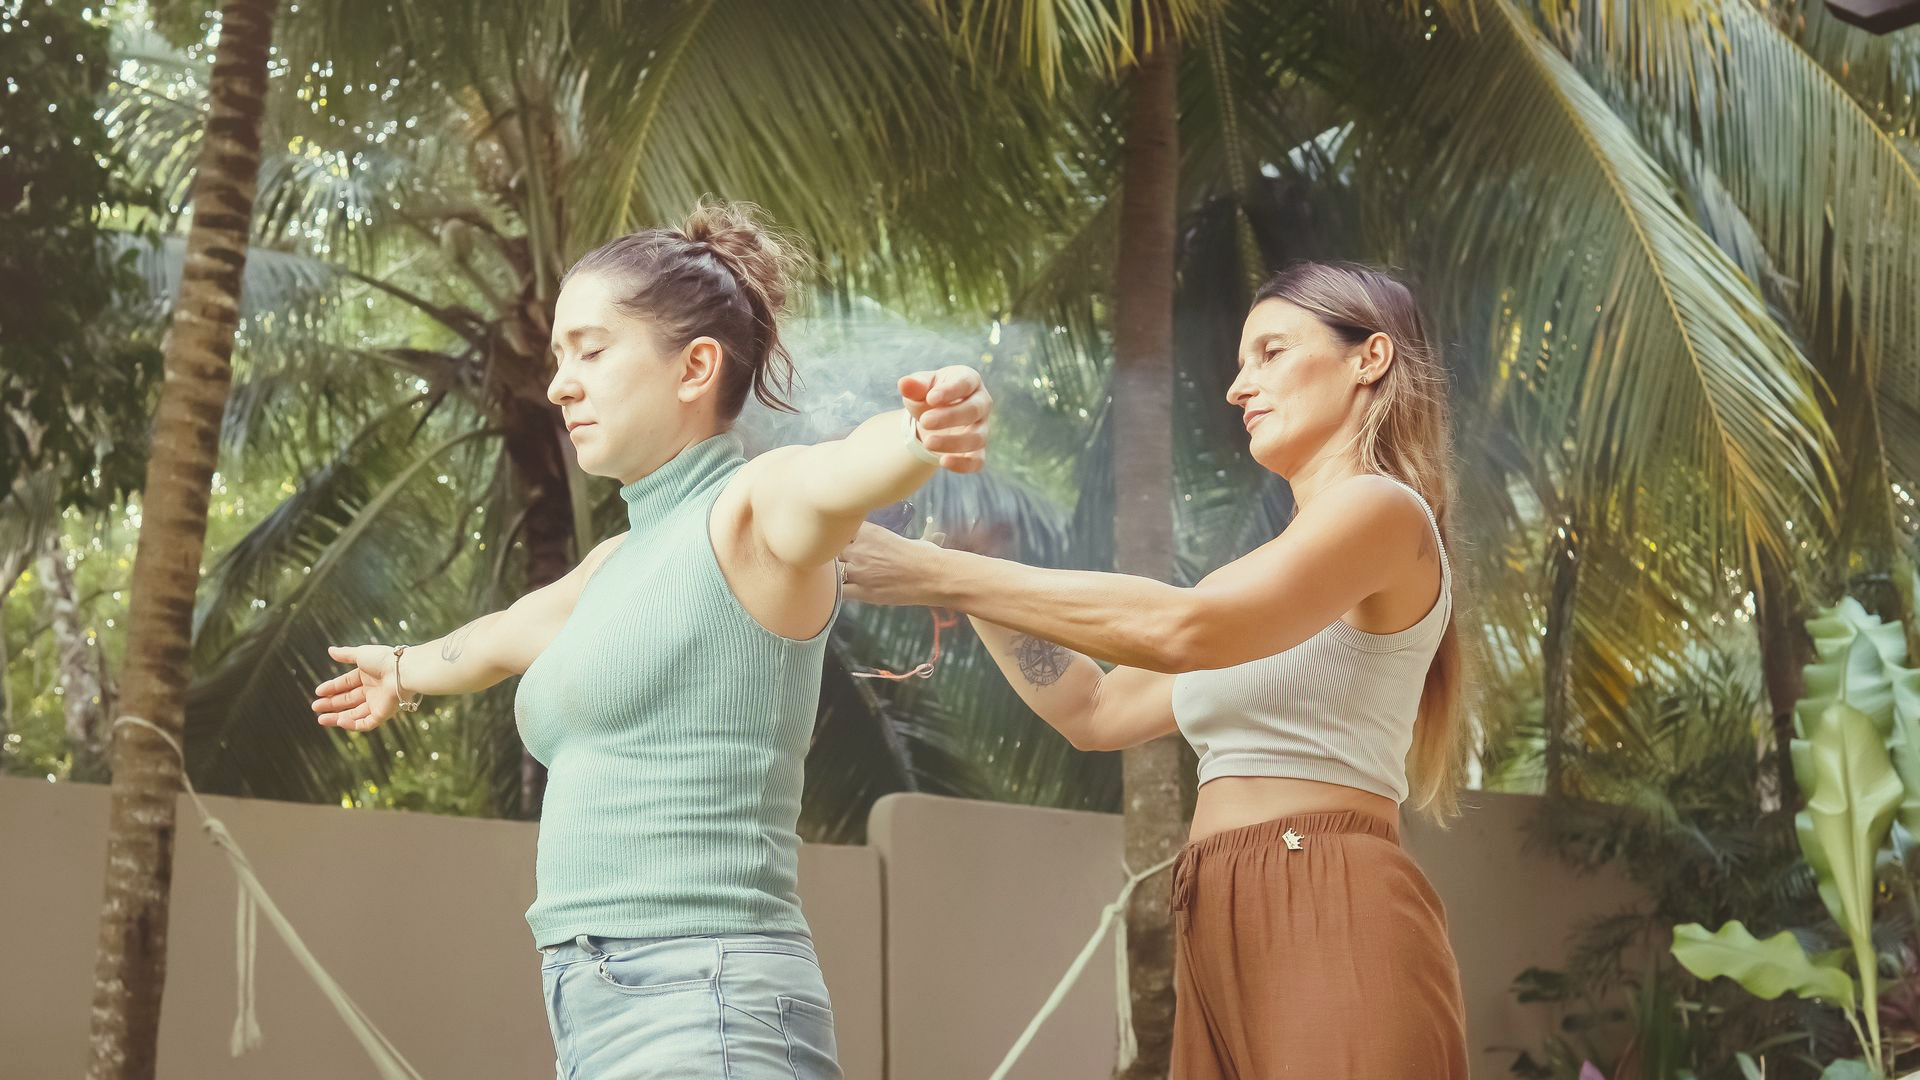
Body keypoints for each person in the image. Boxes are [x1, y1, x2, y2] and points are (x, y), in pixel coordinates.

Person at [309, 200, 993, 1079]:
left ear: (694, 367)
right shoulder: (612, 567)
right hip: (594, 1005)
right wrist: (402, 670)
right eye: (560, 356)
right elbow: (497, 639)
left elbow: (843, 469)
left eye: (590, 351)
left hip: (706, 998)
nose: (560, 383)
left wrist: (923, 429)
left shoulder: (754, 507)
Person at [839, 261, 1469, 1077]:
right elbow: (1092, 710)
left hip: (1328, 898)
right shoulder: (1264, 576)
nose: (1241, 387)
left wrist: (934, 576)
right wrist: (966, 564)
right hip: (1213, 914)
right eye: (1242, 364)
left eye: (1271, 353)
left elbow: (1184, 628)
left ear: (1369, 358)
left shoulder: (1385, 510)